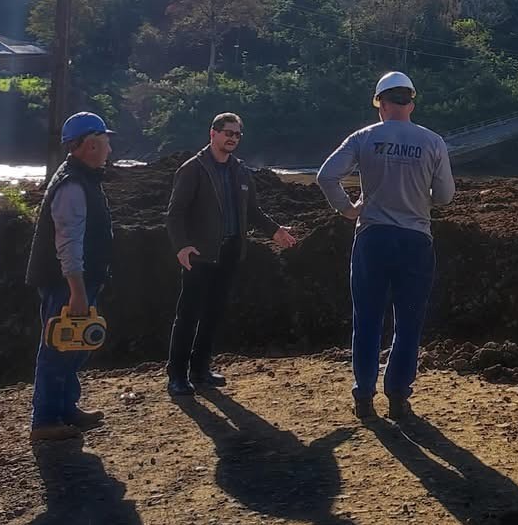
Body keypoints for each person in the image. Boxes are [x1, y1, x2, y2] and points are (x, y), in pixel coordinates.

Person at [316, 71, 454, 422]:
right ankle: (397, 396)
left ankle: (364, 396)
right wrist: (420, 196)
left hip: (372, 239)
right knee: (408, 322)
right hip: (415, 240)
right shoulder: (433, 141)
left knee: (367, 320)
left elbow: (326, 175)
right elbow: (445, 196)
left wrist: (348, 209)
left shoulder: (364, 137)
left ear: (381, 104)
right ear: (411, 102)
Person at [165, 112, 299, 396]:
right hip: (199, 254)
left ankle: (200, 369)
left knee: (213, 313)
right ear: (212, 133)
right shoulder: (193, 169)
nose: (232, 138)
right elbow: (175, 213)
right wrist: (182, 246)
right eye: (228, 132)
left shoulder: (241, 171)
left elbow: (252, 212)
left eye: (237, 134)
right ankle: (177, 375)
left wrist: (275, 231)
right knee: (188, 314)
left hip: (229, 253)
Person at [26, 112, 117, 443]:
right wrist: (76, 290)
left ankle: (65, 408)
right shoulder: (73, 185)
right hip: (66, 282)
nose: (109, 148)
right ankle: (46, 420)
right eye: (105, 141)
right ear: (90, 144)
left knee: (73, 345)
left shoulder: (81, 178)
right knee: (58, 347)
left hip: (74, 280)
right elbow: (68, 242)